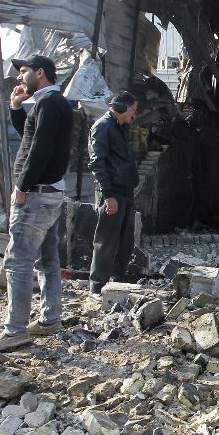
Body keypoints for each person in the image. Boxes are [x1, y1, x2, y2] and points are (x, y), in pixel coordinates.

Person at [0, 56, 72, 351]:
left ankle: (15, 330)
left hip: (36, 194)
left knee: (18, 262)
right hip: (50, 192)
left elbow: (40, 150)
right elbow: (31, 139)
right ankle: (50, 319)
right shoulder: (52, 104)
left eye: (24, 72)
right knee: (46, 258)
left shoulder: (49, 104)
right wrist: (17, 108)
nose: (20, 78)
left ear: (40, 73)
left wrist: (22, 185)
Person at [87, 91, 140, 298]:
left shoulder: (121, 127)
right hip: (112, 191)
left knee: (125, 240)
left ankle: (118, 281)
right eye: (133, 110)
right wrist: (108, 195)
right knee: (107, 239)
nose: (134, 115)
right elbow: (97, 162)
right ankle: (97, 285)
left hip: (125, 190)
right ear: (122, 107)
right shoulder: (103, 127)